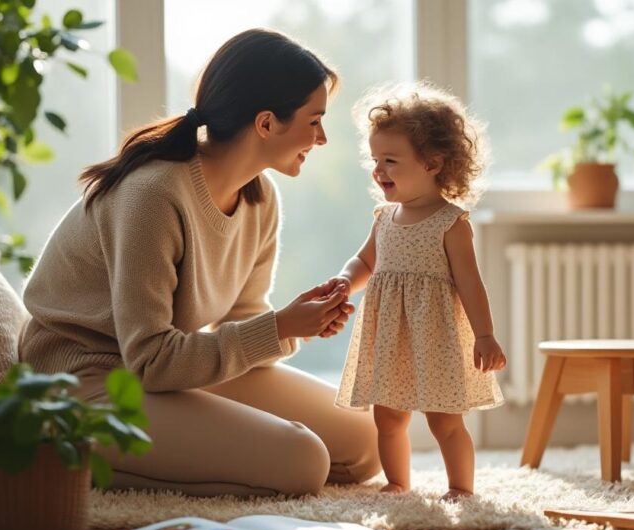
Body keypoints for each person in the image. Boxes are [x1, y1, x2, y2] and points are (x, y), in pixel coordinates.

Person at [19, 28, 380, 497]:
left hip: (166, 370)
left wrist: (293, 323)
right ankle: (61, 450)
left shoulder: (260, 197)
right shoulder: (154, 195)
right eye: (314, 121)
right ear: (266, 123)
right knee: (302, 461)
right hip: (86, 380)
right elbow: (150, 360)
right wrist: (279, 327)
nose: (323, 137)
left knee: (362, 441)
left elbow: (244, 320)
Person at [332, 82, 506, 501]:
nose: (378, 170)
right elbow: (365, 262)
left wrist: (484, 335)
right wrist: (344, 279)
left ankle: (461, 487)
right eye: (375, 159)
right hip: (390, 336)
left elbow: (471, 284)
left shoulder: (450, 222)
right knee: (387, 417)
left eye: (390, 160)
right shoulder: (384, 217)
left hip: (436, 338)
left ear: (432, 162)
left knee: (445, 420)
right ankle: (397, 482)